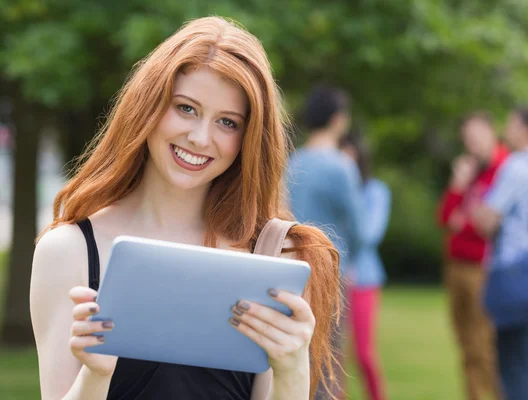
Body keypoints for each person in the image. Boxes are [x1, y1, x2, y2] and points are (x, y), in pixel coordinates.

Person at [29, 17, 341, 400]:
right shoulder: (69, 251)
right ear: (149, 105)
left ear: (248, 139)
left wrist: (292, 367)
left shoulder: (276, 255)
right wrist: (96, 374)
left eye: (227, 122)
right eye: (186, 108)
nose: (199, 137)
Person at [471, 107, 528, 400]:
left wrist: (472, 202)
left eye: (512, 123)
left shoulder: (518, 165)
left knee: (511, 361)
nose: (506, 129)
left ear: (527, 129)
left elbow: (488, 218)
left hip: (513, 270)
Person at [286, 85, 363, 398]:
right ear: (337, 119)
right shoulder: (341, 166)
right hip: (331, 270)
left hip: (292, 268)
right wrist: (355, 260)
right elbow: (358, 228)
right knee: (330, 356)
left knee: (299, 351)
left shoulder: (293, 162)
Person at [437, 112, 509, 400]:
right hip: (456, 265)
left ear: (493, 132)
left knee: (484, 345)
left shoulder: (505, 169)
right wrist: (457, 185)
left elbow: (486, 225)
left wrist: (463, 221)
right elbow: (444, 218)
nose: (472, 144)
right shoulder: (470, 171)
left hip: (483, 268)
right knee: (465, 344)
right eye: (467, 139)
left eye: (477, 137)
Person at [339, 132, 390, 400]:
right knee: (334, 354)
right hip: (333, 277)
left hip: (364, 279)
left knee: (363, 352)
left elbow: (370, 233)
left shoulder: (374, 191)